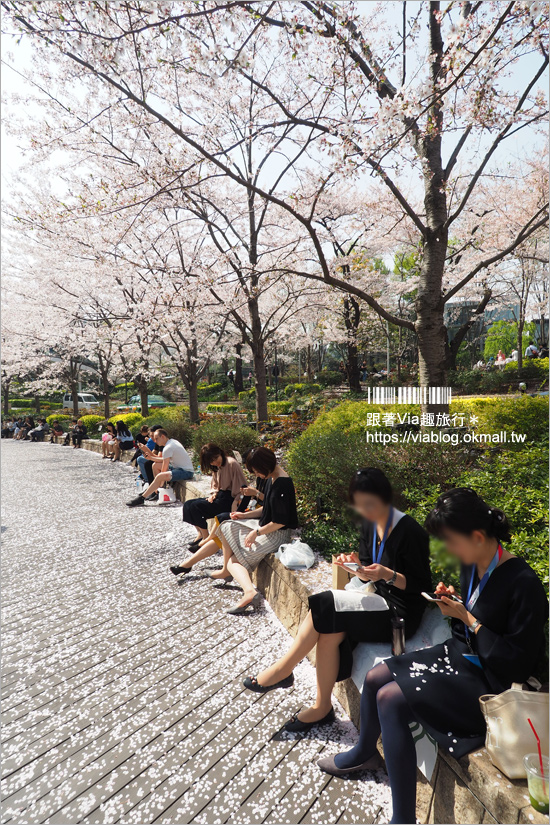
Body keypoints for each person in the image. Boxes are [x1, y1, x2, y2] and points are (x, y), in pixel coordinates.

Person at [320, 488, 548, 825]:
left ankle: (404, 819)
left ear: (477, 536)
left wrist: (468, 617)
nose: (447, 550)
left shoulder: (524, 584)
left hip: (492, 682)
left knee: (391, 699)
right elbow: (472, 619)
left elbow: (514, 662)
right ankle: (364, 753)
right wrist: (454, 603)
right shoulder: (474, 564)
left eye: (450, 541)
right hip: (464, 657)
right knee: (375, 676)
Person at [243, 467, 431, 733]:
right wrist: (354, 564)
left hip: (400, 613)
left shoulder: (409, 530)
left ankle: (284, 670)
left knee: (326, 604)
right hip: (376, 596)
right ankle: (322, 707)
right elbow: (367, 568)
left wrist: (387, 575)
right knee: (330, 632)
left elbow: (421, 586)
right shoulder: (370, 523)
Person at [209, 446, 298, 614]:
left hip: (276, 534)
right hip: (266, 528)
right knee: (226, 524)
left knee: (233, 561)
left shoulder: (282, 483)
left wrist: (255, 533)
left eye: (256, 471)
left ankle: (248, 592)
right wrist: (243, 516)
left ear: (264, 465)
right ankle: (226, 571)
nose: (256, 475)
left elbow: (280, 521)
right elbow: (267, 509)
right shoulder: (273, 477)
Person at [169, 460, 267, 577]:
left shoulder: (275, 481)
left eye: (255, 471)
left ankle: (210, 558)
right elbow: (249, 497)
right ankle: (188, 564)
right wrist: (240, 506)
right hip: (255, 514)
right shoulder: (263, 478)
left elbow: (271, 506)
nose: (255, 474)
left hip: (263, 521)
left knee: (224, 520)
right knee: (222, 527)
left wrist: (255, 496)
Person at [176, 444, 247, 543]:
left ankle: (206, 538)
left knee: (196, 507)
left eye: (216, 458)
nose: (215, 462)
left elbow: (241, 486)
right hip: (220, 496)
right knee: (188, 505)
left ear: (220, 453)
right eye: (211, 461)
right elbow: (215, 485)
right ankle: (201, 534)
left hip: (229, 499)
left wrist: (236, 501)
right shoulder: (216, 467)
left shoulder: (231, 463)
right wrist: (214, 494)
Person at [126, 428, 194, 506]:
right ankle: (157, 491)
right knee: (155, 465)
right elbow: (163, 459)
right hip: (179, 468)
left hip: (186, 472)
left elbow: (164, 469)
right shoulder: (172, 442)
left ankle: (142, 498)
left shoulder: (168, 448)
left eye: (156, 439)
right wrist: (151, 458)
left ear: (163, 436)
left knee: (160, 475)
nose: (155, 441)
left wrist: (160, 483)